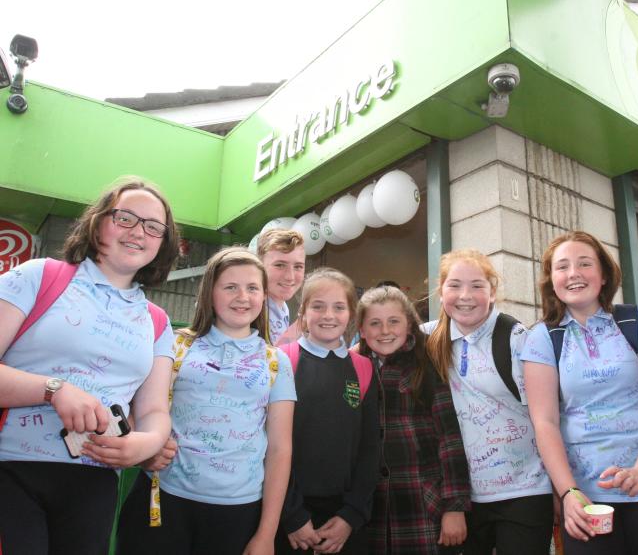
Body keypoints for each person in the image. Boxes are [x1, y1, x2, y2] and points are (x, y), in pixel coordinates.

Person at [0, 176, 179, 554]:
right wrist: (53, 390)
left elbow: (153, 410)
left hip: (94, 484)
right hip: (11, 468)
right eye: (125, 218)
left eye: (153, 226)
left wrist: (145, 444)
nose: (137, 232)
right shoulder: (38, 276)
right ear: (98, 222)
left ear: (163, 242)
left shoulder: (158, 322)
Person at [521, 231, 638, 554]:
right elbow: (544, 421)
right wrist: (567, 492)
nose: (573, 273)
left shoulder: (637, 318)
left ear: (603, 275)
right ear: (552, 280)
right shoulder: (542, 338)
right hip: (589, 498)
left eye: (584, 264)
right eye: (562, 267)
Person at [117, 247, 296, 554]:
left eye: (252, 288)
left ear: (263, 296)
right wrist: (145, 449)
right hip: (162, 498)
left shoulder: (277, 362)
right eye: (230, 287)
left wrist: (267, 533)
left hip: (237, 512)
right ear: (210, 293)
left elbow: (280, 449)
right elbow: (137, 411)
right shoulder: (174, 344)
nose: (243, 296)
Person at [424, 249, 554, 555]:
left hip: (526, 491)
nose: (465, 295)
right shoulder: (427, 339)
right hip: (463, 498)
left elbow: (548, 414)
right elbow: (379, 337)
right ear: (441, 293)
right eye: (454, 285)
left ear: (492, 293)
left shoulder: (517, 338)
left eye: (477, 286)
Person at [357, 285, 470, 554]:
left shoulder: (426, 365)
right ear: (362, 330)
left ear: (409, 325)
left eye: (394, 321)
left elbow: (449, 440)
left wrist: (454, 507)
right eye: (375, 323)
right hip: (370, 510)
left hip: (423, 506)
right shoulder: (355, 367)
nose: (385, 331)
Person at [277, 267, 379, 555]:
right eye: (318, 306)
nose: (328, 315)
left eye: (339, 307)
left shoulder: (363, 369)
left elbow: (370, 448)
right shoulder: (282, 361)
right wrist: (292, 515)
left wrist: (351, 516)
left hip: (344, 516)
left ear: (351, 315)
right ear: (304, 313)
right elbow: (268, 444)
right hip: (289, 512)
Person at [257, 229, 306, 346]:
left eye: (298, 266)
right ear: (260, 266)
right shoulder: (252, 309)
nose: (290, 276)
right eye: (279, 265)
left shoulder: (282, 307)